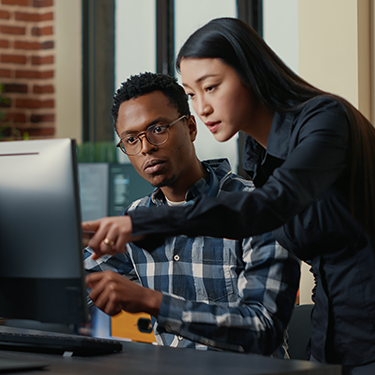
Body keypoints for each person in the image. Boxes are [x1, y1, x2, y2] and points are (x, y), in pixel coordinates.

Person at [83, 18, 375, 373]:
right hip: (330, 339)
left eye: (210, 87)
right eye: (192, 94)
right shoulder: (260, 153)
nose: (202, 107)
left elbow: (267, 208)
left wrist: (140, 224)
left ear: (251, 74)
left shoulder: (326, 120)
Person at [84, 72, 300, 356]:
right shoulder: (135, 216)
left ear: (190, 127)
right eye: (131, 139)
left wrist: (151, 301)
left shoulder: (255, 205)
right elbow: (76, 283)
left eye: (158, 129)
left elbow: (262, 329)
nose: (146, 147)